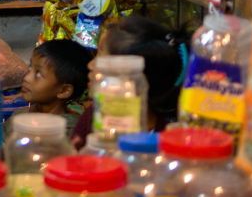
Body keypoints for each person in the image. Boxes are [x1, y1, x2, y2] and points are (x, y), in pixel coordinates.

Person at [71, 15, 187, 148]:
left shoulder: (167, 141)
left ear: (135, 79)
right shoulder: (94, 116)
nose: (90, 65)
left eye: (101, 59)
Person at [19, 39, 92, 137]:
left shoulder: (68, 132)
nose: (27, 78)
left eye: (39, 74)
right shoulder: (20, 115)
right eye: (30, 67)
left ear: (64, 91)